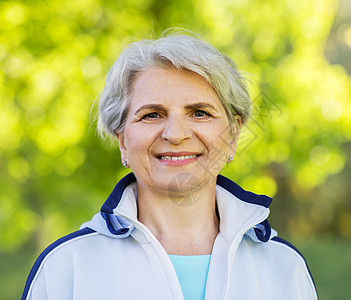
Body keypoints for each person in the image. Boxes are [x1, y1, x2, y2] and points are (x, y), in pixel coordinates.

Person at [22, 30, 317, 300]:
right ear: (123, 140)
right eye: (152, 115)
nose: (175, 134)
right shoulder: (66, 268)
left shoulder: (284, 269)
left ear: (233, 135)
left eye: (200, 113)